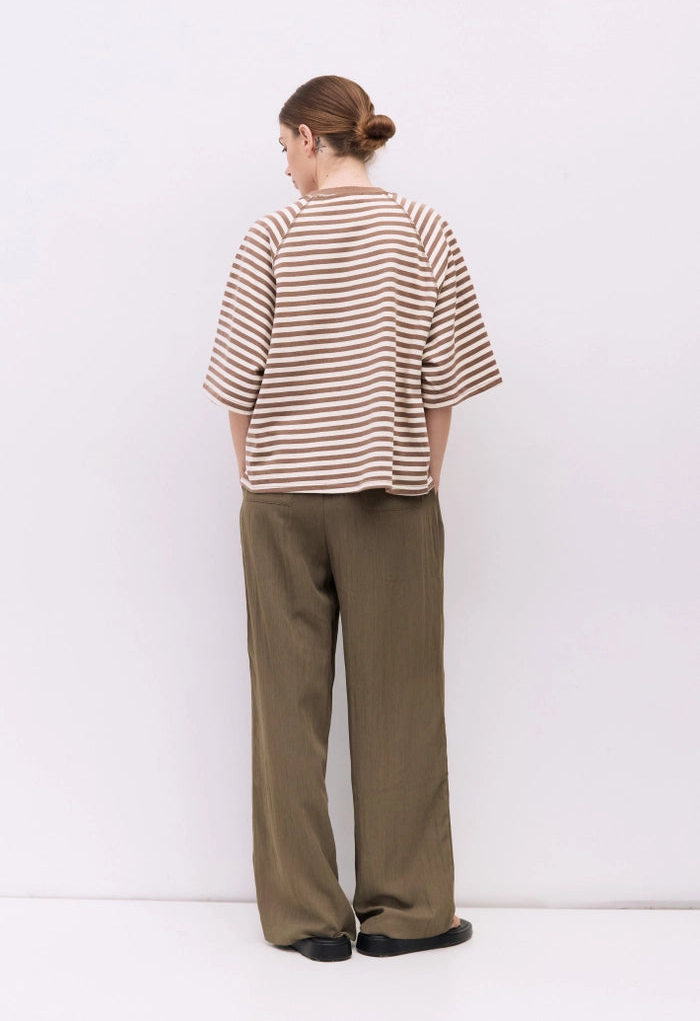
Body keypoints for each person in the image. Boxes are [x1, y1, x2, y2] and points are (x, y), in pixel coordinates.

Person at [202, 75, 502, 962]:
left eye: (284, 148)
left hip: (281, 503)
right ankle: (408, 914)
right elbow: (445, 386)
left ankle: (306, 920)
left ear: (307, 137)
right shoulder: (423, 230)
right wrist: (423, 480)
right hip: (391, 497)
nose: (284, 167)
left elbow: (237, 386)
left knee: (285, 710)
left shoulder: (270, 237)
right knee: (401, 703)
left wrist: (260, 477)